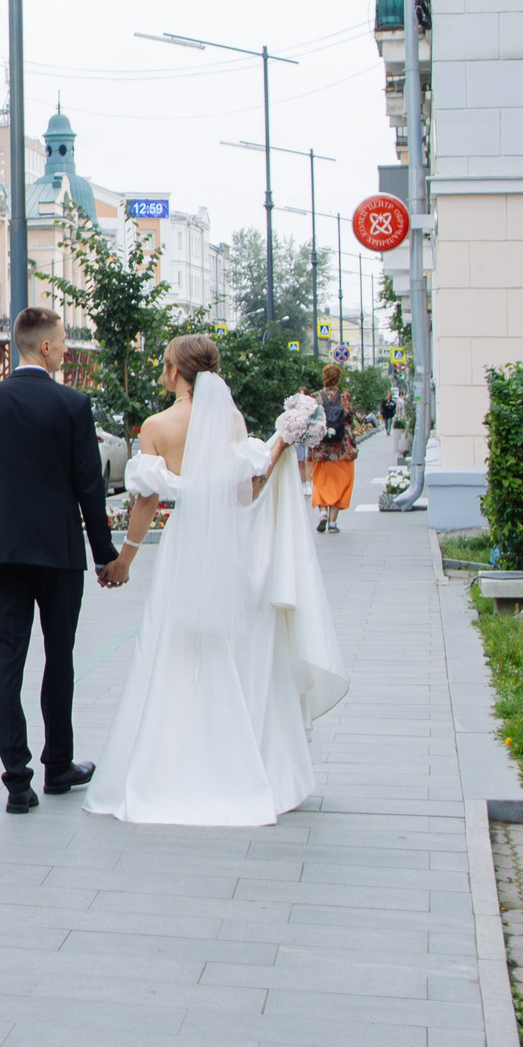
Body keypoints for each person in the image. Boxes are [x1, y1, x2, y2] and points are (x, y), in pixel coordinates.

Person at [86, 334, 349, 827]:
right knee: (228, 647)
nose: (162, 372)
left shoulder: (157, 427)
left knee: (174, 646)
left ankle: (170, 764)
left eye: (165, 364)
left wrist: (125, 560)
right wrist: (278, 446)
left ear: (175, 371)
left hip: (186, 542)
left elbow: (147, 501)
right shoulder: (231, 420)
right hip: (228, 544)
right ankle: (235, 758)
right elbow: (245, 491)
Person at [0, 306, 120, 815]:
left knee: (8, 662)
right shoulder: (72, 404)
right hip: (59, 553)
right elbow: (89, 487)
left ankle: (16, 781)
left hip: (2, 554)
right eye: (63, 341)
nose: (66, 349)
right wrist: (105, 556)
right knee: (59, 658)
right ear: (44, 347)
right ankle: (58, 767)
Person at [309, 363, 358, 533]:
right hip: (341, 448)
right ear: (338, 378)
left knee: (320, 480)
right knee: (341, 482)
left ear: (324, 377)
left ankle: (322, 512)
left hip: (321, 448)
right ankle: (332, 522)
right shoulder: (344, 396)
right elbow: (349, 418)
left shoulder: (315, 397)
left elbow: (311, 421)